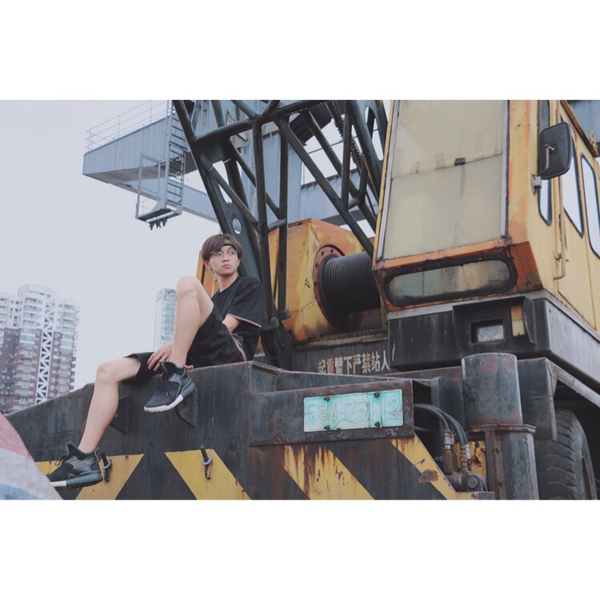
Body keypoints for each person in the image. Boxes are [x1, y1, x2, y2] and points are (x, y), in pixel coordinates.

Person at [47, 233, 264, 489]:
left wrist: (176, 349)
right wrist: (179, 350)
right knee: (106, 371)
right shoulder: (213, 299)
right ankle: (83, 459)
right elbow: (200, 335)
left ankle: (176, 375)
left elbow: (225, 328)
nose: (226, 257)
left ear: (239, 259)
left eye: (231, 253)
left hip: (231, 353)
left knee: (187, 283)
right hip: (199, 354)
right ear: (208, 263)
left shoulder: (249, 286)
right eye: (218, 254)